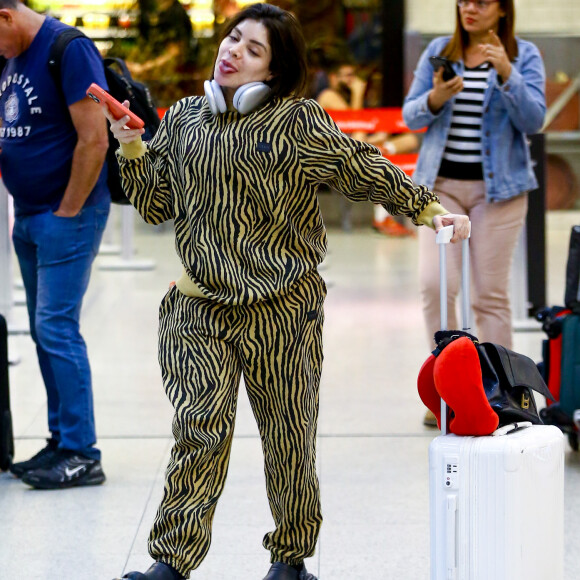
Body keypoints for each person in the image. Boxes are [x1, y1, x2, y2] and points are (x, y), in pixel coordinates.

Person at [100, 4, 469, 579]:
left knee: (289, 435)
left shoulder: (299, 123)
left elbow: (362, 169)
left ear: (273, 72)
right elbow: (155, 207)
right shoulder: (186, 118)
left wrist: (427, 209)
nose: (231, 51)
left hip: (284, 310)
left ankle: (291, 560)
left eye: (252, 49)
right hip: (198, 308)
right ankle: (171, 563)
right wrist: (130, 146)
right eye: (232, 38)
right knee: (200, 426)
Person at [402, 0, 546, 428]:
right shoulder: (438, 53)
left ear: (502, 10)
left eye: (482, 1)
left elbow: (534, 120)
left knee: (489, 296)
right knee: (435, 285)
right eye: (464, 0)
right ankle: (446, 391)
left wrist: (506, 73)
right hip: (441, 190)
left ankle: (500, 390)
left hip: (499, 192)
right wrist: (435, 97)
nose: (470, 8)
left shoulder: (524, 56)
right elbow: (411, 116)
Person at [0, 0, 110, 487]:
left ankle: (83, 453)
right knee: (44, 332)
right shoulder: (13, 56)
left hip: (68, 213)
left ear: (4, 16)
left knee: (56, 328)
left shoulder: (69, 48)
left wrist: (67, 210)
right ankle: (60, 441)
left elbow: (95, 139)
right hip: (29, 214)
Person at [316, 58, 418, 236]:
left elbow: (360, 132)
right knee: (382, 163)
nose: (352, 80)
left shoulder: (345, 99)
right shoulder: (328, 95)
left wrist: (377, 138)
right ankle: (381, 218)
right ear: (333, 78)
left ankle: (381, 152)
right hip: (338, 156)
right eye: (347, 76)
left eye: (353, 76)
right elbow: (354, 124)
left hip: (356, 149)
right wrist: (358, 93)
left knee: (410, 140)